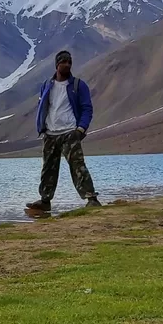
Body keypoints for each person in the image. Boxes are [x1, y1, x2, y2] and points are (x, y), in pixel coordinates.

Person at [26, 50, 101, 211]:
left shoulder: (78, 85)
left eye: (69, 62)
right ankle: (45, 200)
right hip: (50, 133)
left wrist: (80, 129)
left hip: (69, 132)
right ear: (57, 65)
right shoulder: (47, 85)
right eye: (64, 62)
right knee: (48, 169)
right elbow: (43, 106)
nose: (67, 64)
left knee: (78, 166)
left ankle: (91, 198)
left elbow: (87, 108)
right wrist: (42, 127)